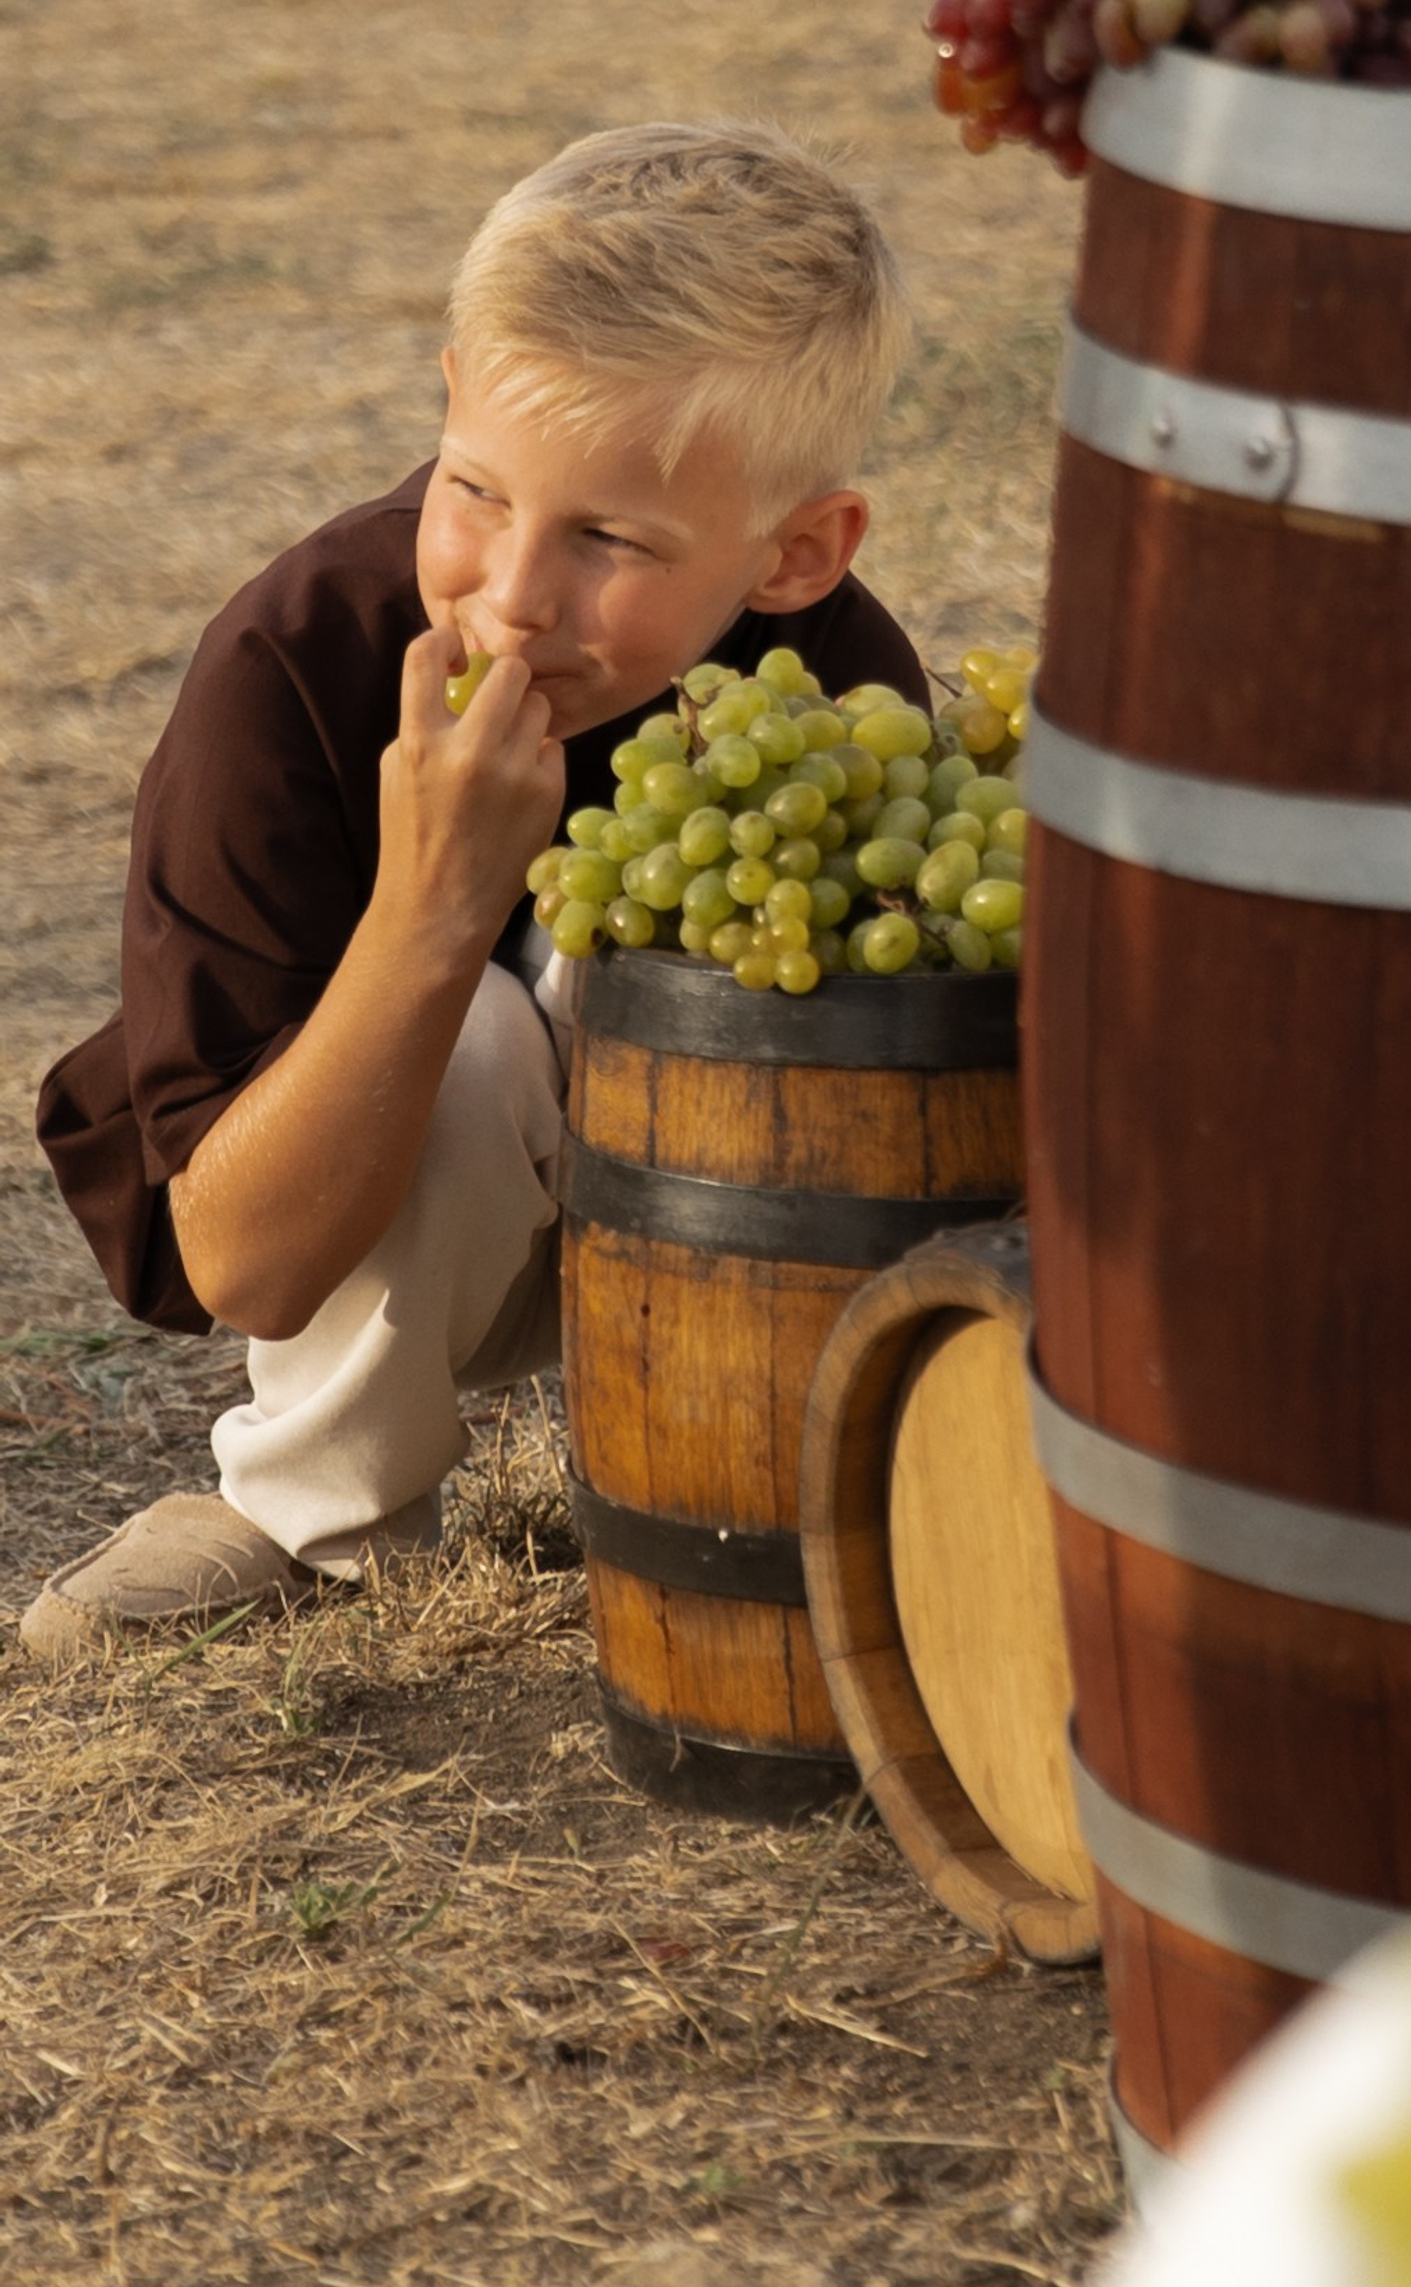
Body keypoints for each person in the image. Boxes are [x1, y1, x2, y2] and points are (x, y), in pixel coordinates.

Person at [25, 120, 924, 1662]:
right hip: (345, 1222)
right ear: (448, 399)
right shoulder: (294, 666)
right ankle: (311, 1509)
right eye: (479, 492)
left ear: (794, 555)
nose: (512, 598)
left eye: (609, 540)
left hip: (714, 1242)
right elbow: (241, 1259)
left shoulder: (830, 695)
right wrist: (433, 909)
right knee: (484, 1031)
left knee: (727, 981)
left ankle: (726, 1463)